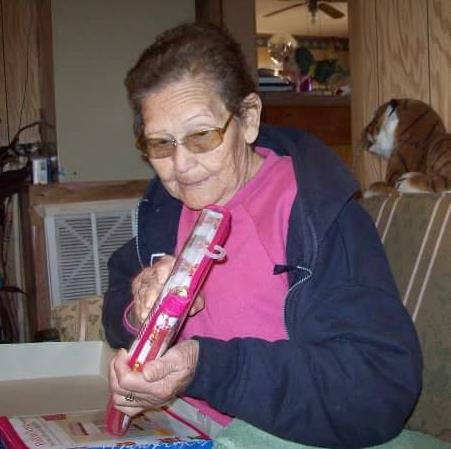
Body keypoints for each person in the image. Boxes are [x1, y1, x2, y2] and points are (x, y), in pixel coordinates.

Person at [102, 22, 422, 448]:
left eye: (202, 136)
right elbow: (116, 308)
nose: (180, 166)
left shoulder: (315, 214)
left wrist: (205, 367)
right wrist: (139, 312)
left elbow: (376, 390)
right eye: (161, 144)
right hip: (184, 428)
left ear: (248, 118)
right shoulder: (165, 208)